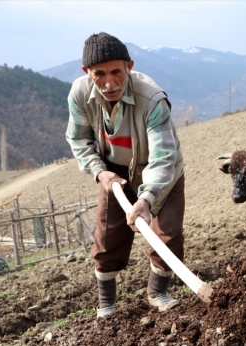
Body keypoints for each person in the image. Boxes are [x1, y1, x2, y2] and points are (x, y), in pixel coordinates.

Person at [66, 32, 185, 318]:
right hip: (113, 170)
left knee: (167, 231)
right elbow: (79, 139)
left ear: (129, 66)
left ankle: (158, 292)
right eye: (100, 74)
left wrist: (146, 198)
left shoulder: (152, 98)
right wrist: (99, 173)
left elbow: (162, 155)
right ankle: (106, 304)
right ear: (87, 73)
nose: (109, 83)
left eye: (117, 72)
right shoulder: (80, 94)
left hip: (158, 168)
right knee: (107, 234)